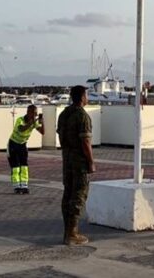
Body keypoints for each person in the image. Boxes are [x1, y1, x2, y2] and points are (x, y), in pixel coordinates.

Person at [56, 85, 96, 245]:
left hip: (67, 158)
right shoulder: (82, 116)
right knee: (79, 194)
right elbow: (85, 141)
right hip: (79, 160)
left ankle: (67, 231)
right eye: (86, 95)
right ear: (82, 97)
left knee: (68, 193)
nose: (88, 98)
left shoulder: (64, 114)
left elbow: (60, 135)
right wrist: (91, 161)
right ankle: (72, 233)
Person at [7, 104, 44, 194]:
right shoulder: (20, 120)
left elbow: (42, 132)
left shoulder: (34, 122)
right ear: (28, 112)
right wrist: (31, 123)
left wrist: (42, 122)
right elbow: (21, 129)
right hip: (13, 144)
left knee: (24, 166)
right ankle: (16, 186)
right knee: (15, 166)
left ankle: (24, 185)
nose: (35, 115)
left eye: (36, 113)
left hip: (22, 145)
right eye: (34, 113)